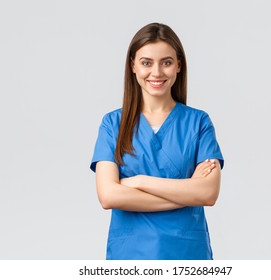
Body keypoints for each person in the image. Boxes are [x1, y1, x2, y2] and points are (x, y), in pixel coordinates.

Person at [90, 22, 224, 260]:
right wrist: (185, 193)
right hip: (130, 255)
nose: (157, 72)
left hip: (187, 256)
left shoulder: (198, 122)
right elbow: (109, 196)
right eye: (146, 63)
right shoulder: (113, 124)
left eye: (166, 62)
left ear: (178, 65)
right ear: (133, 65)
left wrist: (137, 181)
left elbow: (208, 193)